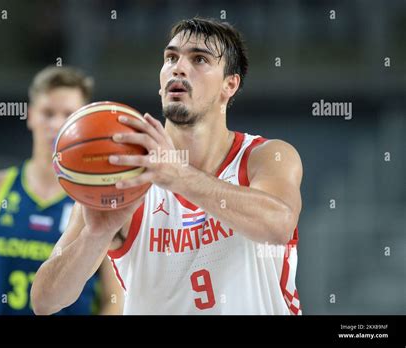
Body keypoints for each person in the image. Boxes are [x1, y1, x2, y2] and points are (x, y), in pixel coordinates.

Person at [31, 17, 303, 315]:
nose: (179, 67)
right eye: (171, 57)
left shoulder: (264, 156)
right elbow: (45, 301)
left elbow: (279, 225)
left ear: (230, 85)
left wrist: (178, 175)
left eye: (199, 59)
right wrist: (94, 236)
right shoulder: (122, 175)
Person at [0, 66, 123, 315]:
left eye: (68, 114)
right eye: (48, 113)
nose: (57, 123)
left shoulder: (96, 198)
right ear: (30, 116)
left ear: (82, 122)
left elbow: (114, 300)